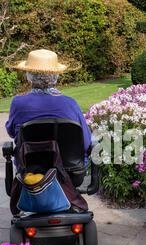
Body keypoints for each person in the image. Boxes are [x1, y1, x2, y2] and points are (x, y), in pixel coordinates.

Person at [5, 49, 92, 188]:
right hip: (69, 174)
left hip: (30, 173)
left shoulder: (18, 103)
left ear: (29, 76)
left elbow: (11, 132)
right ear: (56, 76)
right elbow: (86, 142)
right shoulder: (70, 104)